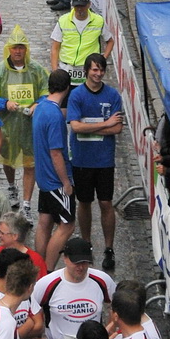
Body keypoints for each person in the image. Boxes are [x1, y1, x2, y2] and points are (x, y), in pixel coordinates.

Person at [0, 27, 50, 207]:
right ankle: (11, 187)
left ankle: (26, 203)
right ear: (9, 49)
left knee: (30, 163)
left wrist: (38, 104)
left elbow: (47, 90)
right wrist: (4, 103)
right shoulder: (0, 71)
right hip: (7, 125)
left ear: (26, 49)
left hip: (29, 125)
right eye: (14, 47)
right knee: (8, 159)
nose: (18, 51)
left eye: (21, 47)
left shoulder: (35, 70)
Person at [66, 55, 123, 267]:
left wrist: (103, 125)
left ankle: (109, 248)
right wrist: (105, 124)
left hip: (104, 160)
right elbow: (76, 127)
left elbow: (117, 128)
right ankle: (87, 244)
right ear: (86, 71)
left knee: (106, 203)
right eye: (94, 70)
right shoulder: (77, 95)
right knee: (85, 202)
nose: (98, 74)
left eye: (101, 70)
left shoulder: (113, 95)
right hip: (82, 159)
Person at [32, 238, 115, 339]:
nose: (81, 267)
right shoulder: (47, 284)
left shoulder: (102, 280)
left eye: (84, 262)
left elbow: (117, 305)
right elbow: (28, 309)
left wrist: (109, 329)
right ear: (65, 258)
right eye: (76, 262)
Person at [33, 72, 76, 268]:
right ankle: (48, 270)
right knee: (67, 226)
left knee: (45, 222)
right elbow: (56, 153)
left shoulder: (40, 107)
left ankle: (38, 267)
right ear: (67, 88)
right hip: (55, 180)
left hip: (43, 178)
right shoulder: (55, 115)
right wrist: (66, 182)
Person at [50, 0, 110, 85]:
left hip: (87, 71)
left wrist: (103, 58)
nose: (79, 9)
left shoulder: (99, 21)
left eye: (82, 6)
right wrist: (55, 71)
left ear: (89, 4)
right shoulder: (63, 21)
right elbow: (55, 47)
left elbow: (110, 41)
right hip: (66, 68)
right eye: (77, 6)